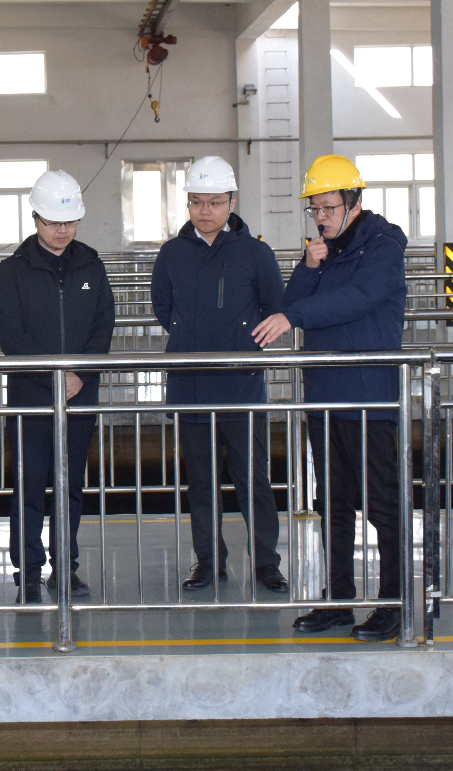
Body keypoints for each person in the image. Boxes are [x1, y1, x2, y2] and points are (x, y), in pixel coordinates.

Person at [281, 155, 409, 642]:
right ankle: (337, 600)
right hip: (325, 394)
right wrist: (308, 267)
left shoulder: (382, 246)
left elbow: (359, 299)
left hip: (368, 395)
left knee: (381, 502)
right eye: (314, 209)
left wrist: (295, 317)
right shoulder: (323, 251)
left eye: (329, 207)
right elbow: (292, 303)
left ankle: (394, 603)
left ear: (354, 202)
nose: (321, 217)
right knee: (332, 502)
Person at [150, 155, 291, 594]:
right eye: (197, 202)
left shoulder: (255, 253)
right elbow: (163, 308)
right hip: (190, 386)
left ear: (231, 202)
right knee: (202, 482)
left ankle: (266, 563)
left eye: (214, 202)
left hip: (242, 385)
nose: (205, 210)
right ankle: (209, 562)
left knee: (253, 479)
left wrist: (243, 340)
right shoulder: (172, 254)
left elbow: (274, 306)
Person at [0, 170, 115, 603]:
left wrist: (80, 374)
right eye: (52, 221)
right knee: (29, 484)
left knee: (70, 486)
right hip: (31, 396)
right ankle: (27, 573)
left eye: (69, 221)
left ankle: (65, 567)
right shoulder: (13, 270)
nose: (61, 229)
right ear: (35, 218)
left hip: (80, 394)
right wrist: (52, 375)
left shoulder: (92, 266)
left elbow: (103, 326)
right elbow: (12, 336)